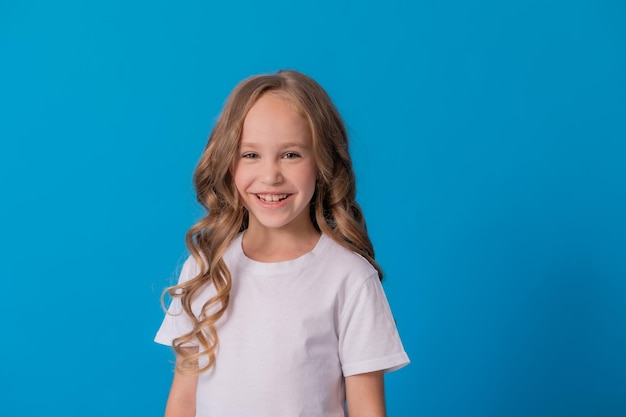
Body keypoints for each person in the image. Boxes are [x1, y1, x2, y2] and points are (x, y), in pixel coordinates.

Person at [155, 69, 409, 417]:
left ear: (321, 163)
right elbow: (184, 400)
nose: (271, 175)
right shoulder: (205, 267)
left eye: (291, 154)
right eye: (250, 155)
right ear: (228, 164)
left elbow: (367, 409)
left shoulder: (349, 278)